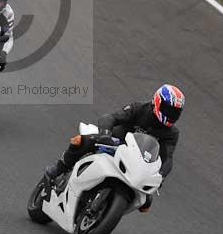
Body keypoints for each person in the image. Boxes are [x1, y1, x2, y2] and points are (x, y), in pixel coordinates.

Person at [44, 84, 185, 212]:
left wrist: (161, 176)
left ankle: (108, 209)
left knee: (146, 202)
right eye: (169, 110)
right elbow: (110, 118)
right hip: (115, 144)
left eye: (175, 112)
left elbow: (168, 157)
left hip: (138, 162)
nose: (171, 115)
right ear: (157, 102)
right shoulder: (139, 108)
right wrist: (106, 135)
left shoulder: (172, 134)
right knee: (83, 141)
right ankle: (58, 169)